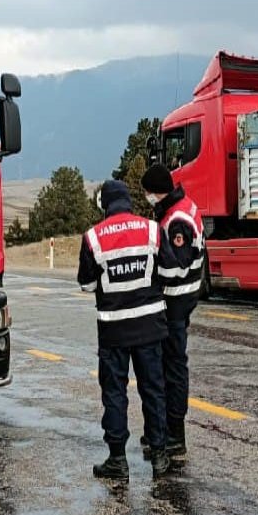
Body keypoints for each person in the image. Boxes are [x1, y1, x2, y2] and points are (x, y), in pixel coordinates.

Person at [78, 180, 175, 480]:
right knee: (153, 391)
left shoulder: (93, 237)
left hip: (113, 332)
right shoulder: (151, 229)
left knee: (115, 394)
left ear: (105, 204)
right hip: (150, 327)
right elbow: (170, 272)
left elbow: (86, 284)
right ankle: (159, 455)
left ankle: (118, 459)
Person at [140, 164, 204, 465]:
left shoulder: (177, 220)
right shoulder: (180, 206)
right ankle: (163, 428)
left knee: (173, 368)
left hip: (175, 301)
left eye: (147, 193)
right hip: (182, 298)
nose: (146, 198)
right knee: (169, 366)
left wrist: (151, 264)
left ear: (155, 191)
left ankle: (174, 434)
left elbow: (175, 266)